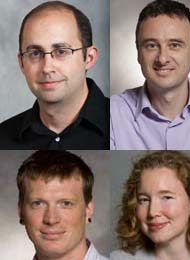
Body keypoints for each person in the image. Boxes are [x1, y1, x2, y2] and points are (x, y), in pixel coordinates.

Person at [0, 150, 110, 260]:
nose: (51, 219)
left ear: (88, 209)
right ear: (21, 211)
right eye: (37, 203)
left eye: (66, 204)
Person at [110, 0, 190, 150]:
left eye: (174, 45)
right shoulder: (112, 113)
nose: (162, 59)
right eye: (151, 45)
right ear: (138, 53)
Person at [0, 1, 109, 150]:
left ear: (89, 58)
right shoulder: (3, 137)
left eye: (61, 51)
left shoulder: (123, 126)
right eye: (35, 53)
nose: (47, 67)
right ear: (21, 63)